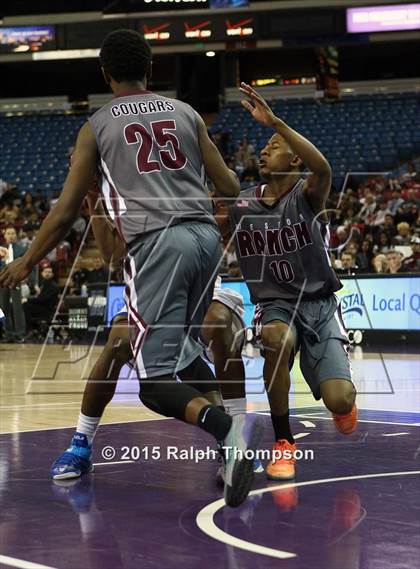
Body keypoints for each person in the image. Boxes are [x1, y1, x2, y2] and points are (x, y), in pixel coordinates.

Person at [0, 30, 263, 508]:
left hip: (159, 244)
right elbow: (227, 183)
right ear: (151, 69)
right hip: (206, 242)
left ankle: (230, 434)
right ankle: (230, 436)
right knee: (177, 358)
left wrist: (27, 260)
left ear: (105, 74)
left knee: (154, 385)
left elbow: (62, 216)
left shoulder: (97, 126)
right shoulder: (185, 113)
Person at [52, 187, 263, 480]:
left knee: (216, 324)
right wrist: (91, 196)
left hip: (202, 289)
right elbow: (112, 255)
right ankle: (81, 444)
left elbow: (224, 207)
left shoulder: (182, 173)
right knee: (119, 342)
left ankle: (236, 437)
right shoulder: (128, 192)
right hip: (153, 295)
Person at [227, 82, 357, 481]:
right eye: (265, 146)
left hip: (318, 305)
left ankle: (341, 399)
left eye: (274, 145)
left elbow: (323, 168)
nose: (265, 150)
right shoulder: (242, 203)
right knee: (276, 340)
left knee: (339, 400)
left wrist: (276, 121)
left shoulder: (308, 194)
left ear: (295, 159)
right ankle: (284, 441)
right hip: (276, 305)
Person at [0, 227, 26, 343]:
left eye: (13, 233)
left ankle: (20, 334)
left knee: (17, 307)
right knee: (3, 307)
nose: (10, 235)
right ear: (4, 236)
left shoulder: (21, 249)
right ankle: (7, 333)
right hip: (2, 280)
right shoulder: (0, 249)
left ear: (16, 235)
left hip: (16, 280)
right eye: (8, 233)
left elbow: (26, 265)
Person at [22, 262, 60, 333]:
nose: (47, 274)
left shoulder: (53, 286)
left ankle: (29, 329)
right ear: (42, 273)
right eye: (45, 272)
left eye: (49, 272)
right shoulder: (44, 283)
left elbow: (42, 300)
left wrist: (27, 300)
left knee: (25, 306)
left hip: (47, 310)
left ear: (52, 274)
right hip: (42, 307)